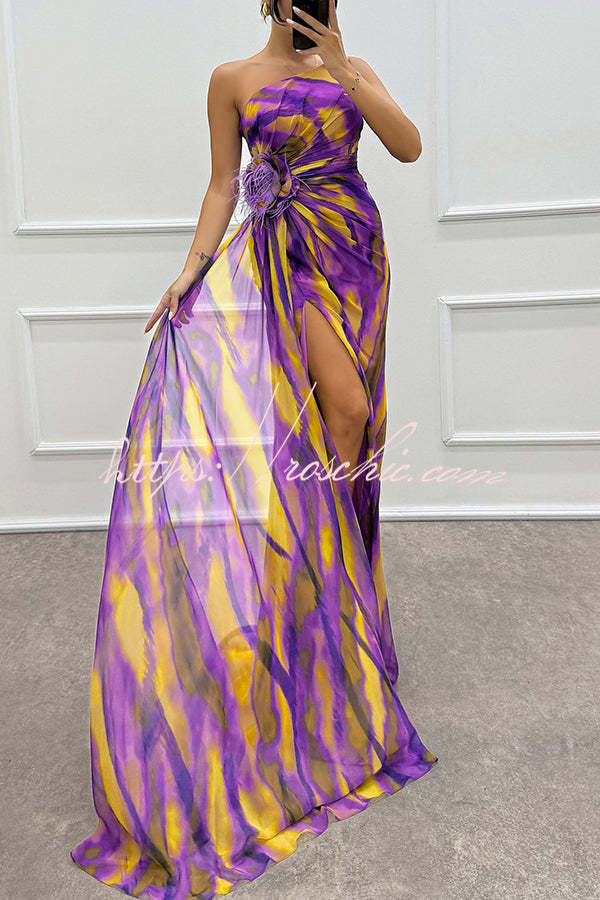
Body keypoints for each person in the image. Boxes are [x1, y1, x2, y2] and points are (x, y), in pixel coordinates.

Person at [69, 1, 438, 897]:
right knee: (342, 412)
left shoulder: (352, 70)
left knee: (359, 435)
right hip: (288, 259)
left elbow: (407, 148)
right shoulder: (233, 80)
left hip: (358, 252)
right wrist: (191, 268)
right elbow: (221, 187)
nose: (315, 7)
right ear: (271, 2)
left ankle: (330, 612)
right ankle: (322, 605)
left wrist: (345, 70)